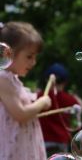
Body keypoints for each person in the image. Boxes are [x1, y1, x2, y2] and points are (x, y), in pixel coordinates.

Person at [0, 21, 52, 159]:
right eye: (29, 56)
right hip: (13, 151)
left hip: (22, 147)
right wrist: (42, 102)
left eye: (35, 57)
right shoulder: (2, 79)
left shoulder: (12, 80)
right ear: (7, 53)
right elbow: (20, 114)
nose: (33, 62)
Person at [37, 62, 82, 156]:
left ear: (47, 80)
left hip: (42, 140)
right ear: (65, 82)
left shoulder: (41, 96)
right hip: (61, 141)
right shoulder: (68, 98)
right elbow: (81, 107)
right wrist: (76, 96)